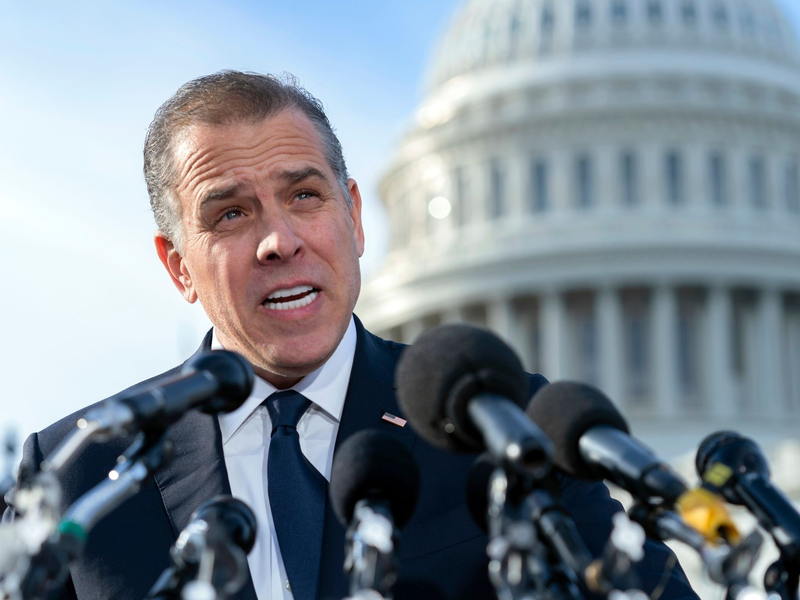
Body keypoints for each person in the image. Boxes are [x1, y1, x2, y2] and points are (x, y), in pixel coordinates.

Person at [3, 71, 698, 600]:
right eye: (232, 214)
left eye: (304, 195)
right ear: (179, 266)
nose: (280, 241)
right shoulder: (76, 473)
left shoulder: (503, 429)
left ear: (355, 218)